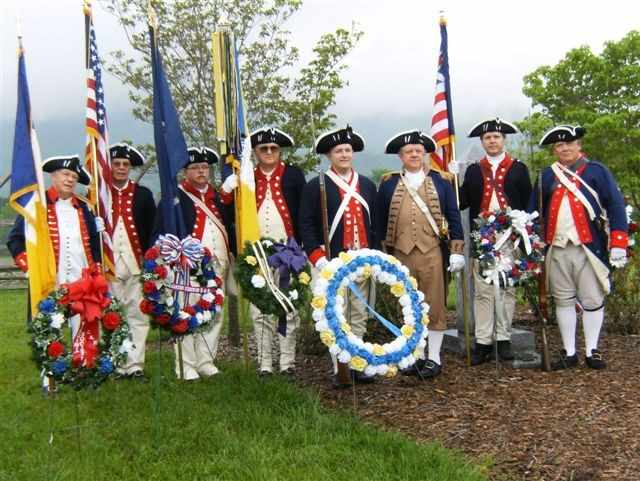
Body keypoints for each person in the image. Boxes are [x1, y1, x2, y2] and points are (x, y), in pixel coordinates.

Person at [529, 125, 628, 370]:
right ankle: (569, 351)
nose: (564, 148)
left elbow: (615, 206)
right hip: (556, 246)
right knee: (563, 299)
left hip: (588, 247)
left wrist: (618, 243)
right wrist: (532, 243)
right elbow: (534, 212)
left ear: (579, 145)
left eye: (568, 143)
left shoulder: (596, 172)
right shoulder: (547, 176)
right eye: (559, 145)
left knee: (592, 298)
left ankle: (592, 350)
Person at [376, 130, 465, 378]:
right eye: (408, 152)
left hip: (432, 252)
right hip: (401, 254)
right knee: (407, 305)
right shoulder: (389, 183)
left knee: (434, 305)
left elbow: (453, 215)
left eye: (418, 151)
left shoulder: (441, 180)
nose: (414, 154)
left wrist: (457, 248)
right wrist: (381, 253)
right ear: (400, 156)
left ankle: (434, 358)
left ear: (424, 153)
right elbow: (380, 220)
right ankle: (415, 355)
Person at [299, 125, 378, 387]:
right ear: (329, 156)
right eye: (338, 151)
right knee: (336, 314)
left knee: (359, 314)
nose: (344, 154)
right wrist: (317, 256)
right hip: (331, 262)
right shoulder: (316, 186)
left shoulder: (366, 184)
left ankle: (358, 364)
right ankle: (340, 367)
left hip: (362, 261)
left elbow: (374, 224)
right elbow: (306, 225)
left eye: (347, 150)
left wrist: (375, 256)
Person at [155, 146, 235, 380]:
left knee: (214, 314)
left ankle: (205, 361)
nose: (201, 171)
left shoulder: (218, 197)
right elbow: (162, 233)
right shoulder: (175, 198)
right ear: (185, 171)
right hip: (188, 267)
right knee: (187, 312)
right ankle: (185, 364)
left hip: (218, 264)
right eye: (195, 167)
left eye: (204, 167)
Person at [457, 118, 532, 364]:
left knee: (507, 289)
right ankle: (483, 342)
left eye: (496, 137)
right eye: (487, 138)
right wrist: (453, 180)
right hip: (482, 236)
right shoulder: (474, 170)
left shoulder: (519, 168)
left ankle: (503, 338)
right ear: (482, 142)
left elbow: (528, 204)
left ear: (503, 140)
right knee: (482, 292)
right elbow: (463, 202)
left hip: (510, 237)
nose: (492, 141)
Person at [7, 155, 102, 337]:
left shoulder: (84, 207)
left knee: (84, 328)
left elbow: (94, 243)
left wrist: (96, 267)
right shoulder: (37, 204)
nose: (70, 180)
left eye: (74, 177)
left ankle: (83, 363)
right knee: (49, 329)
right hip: (49, 278)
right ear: (53, 176)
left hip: (80, 277)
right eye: (65, 174)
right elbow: (15, 239)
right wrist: (30, 269)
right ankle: (51, 365)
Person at [249, 127, 306, 378]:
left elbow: (303, 214)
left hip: (288, 252)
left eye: (273, 148)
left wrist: (300, 246)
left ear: (279, 151)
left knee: (288, 307)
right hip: (257, 254)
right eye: (264, 149)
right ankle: (264, 363)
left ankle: (287, 362)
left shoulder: (294, 175)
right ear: (256, 152)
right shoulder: (247, 178)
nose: (269, 152)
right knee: (260, 310)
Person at [108, 143, 157, 380]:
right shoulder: (98, 195)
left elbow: (152, 230)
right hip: (108, 267)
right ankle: (117, 363)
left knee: (137, 315)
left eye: (125, 164)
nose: (120, 168)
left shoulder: (143, 195)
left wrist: (151, 263)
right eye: (116, 163)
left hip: (136, 264)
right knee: (112, 316)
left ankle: (135, 364)